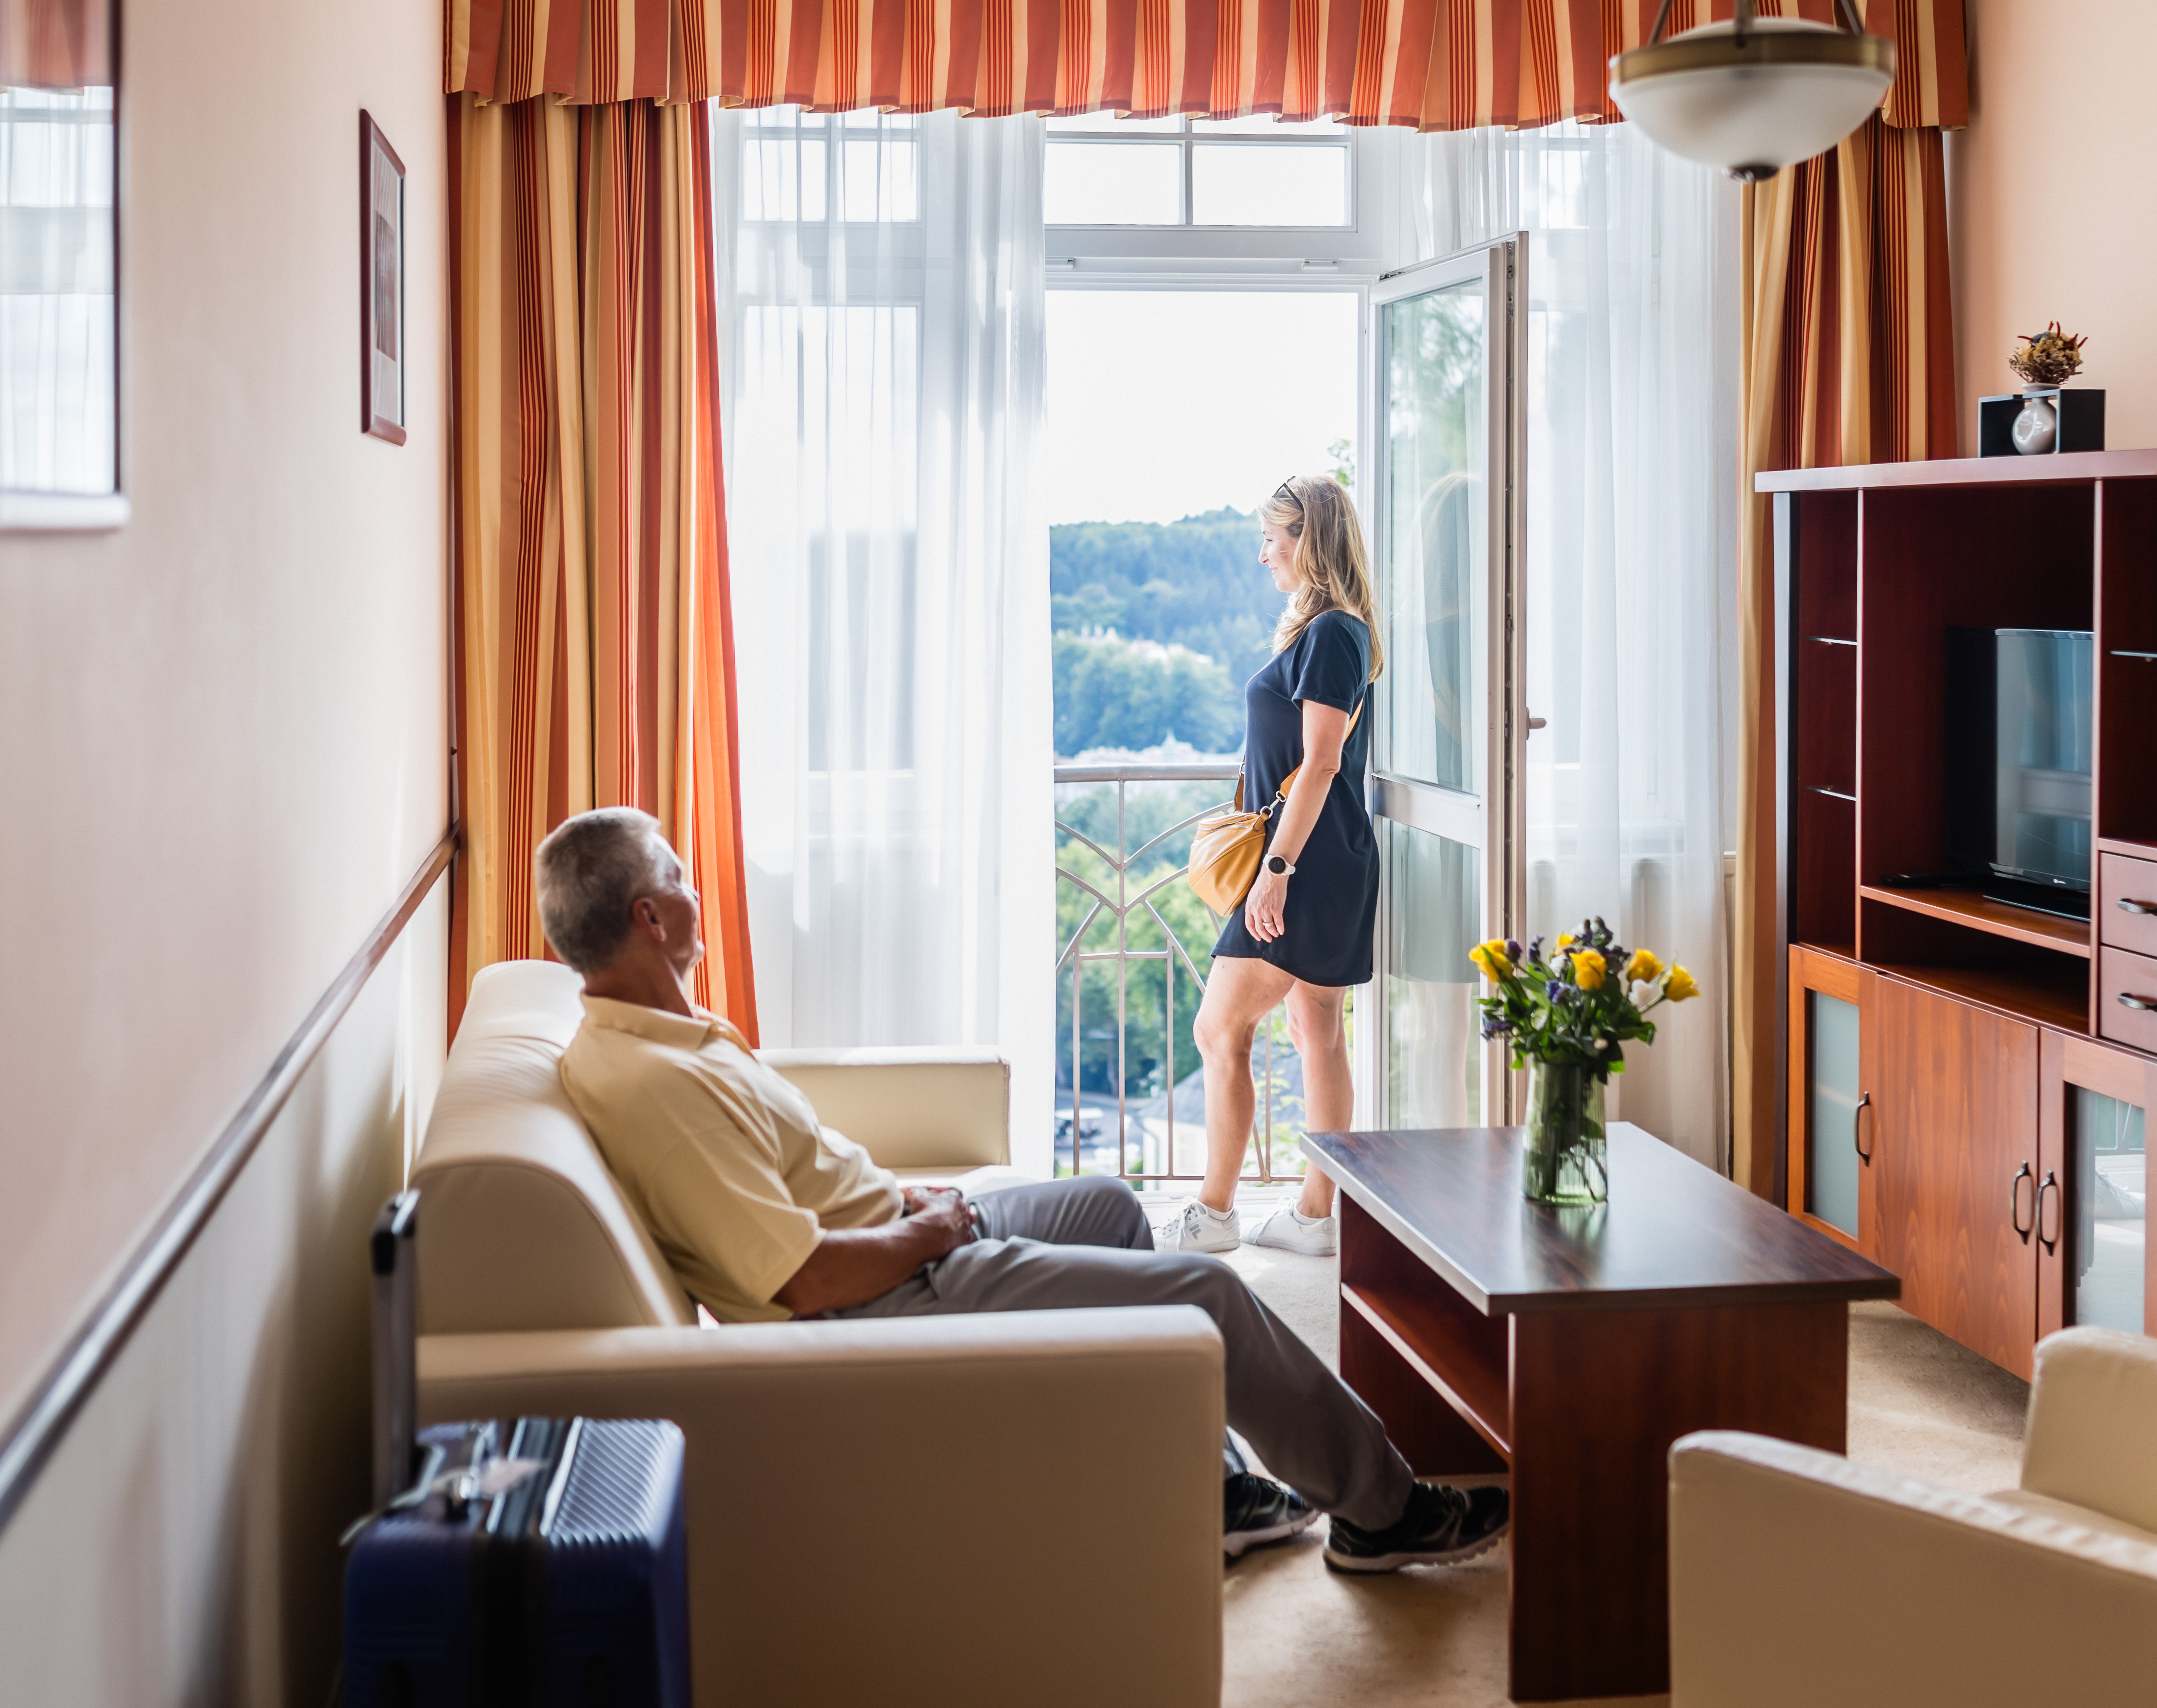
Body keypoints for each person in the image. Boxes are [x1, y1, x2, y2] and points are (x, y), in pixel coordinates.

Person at [532, 805, 1507, 1575]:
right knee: (1209, 1292)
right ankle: (1382, 1512)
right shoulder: (653, 1086)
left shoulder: (668, 1036)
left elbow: (793, 1175)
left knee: (1109, 1205)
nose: (694, 888)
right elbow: (802, 1279)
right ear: (649, 918)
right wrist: (930, 1233)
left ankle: (1215, 1490)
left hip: (896, 1236)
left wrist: (910, 1196)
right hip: (879, 1299)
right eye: (678, 875)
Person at [1158, 474, 1380, 1259]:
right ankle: (1314, 1219)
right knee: (1316, 1030)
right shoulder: (1338, 631)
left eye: (1272, 539)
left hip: (1305, 865)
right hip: (1331, 857)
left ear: (1307, 540)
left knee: (1220, 1029)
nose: (1263, 556)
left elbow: (1320, 762)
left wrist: (1275, 870)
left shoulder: (1331, 634)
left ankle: (1214, 1214)